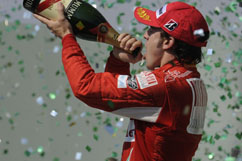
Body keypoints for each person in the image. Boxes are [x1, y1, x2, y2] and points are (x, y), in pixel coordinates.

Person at [34, 1, 210, 161]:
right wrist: (118, 61)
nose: (145, 35)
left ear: (168, 42)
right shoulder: (189, 80)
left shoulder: (165, 86)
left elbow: (85, 87)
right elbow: (114, 101)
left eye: (151, 30)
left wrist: (67, 36)